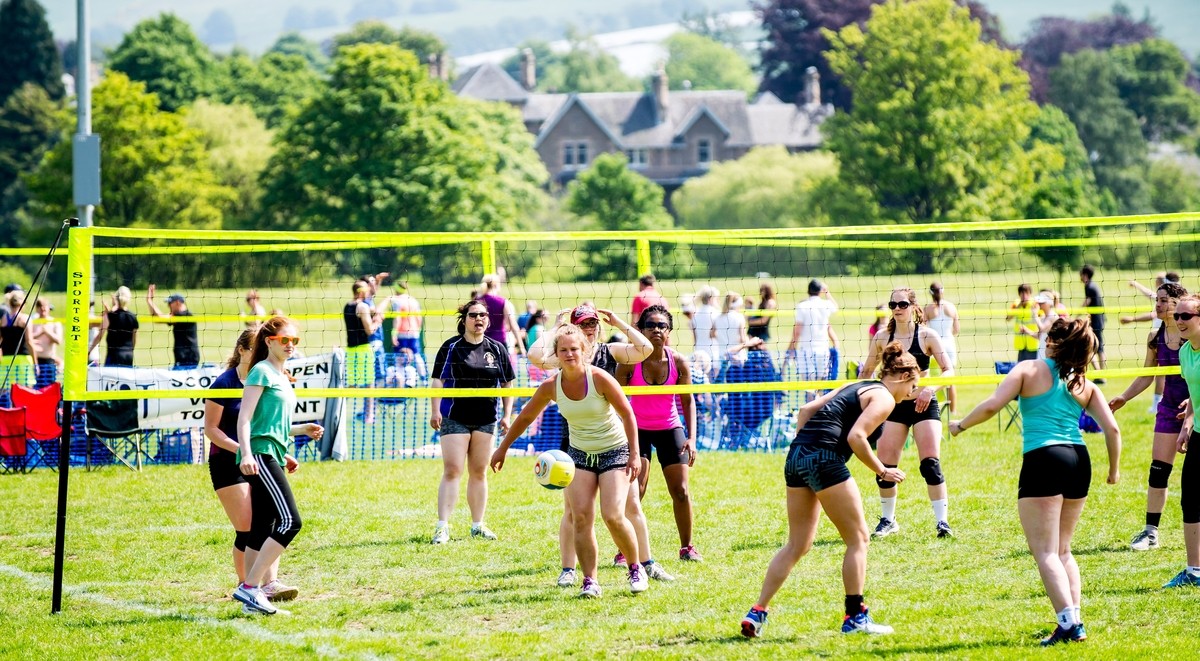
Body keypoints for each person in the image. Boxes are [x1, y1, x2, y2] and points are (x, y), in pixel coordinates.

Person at [950, 318, 1120, 645]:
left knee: (1045, 552)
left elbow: (992, 406)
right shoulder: (1082, 382)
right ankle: (1075, 618)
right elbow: (1112, 429)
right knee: (1063, 550)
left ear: (1053, 341)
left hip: (1044, 458)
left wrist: (961, 425)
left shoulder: (1028, 369)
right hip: (1078, 459)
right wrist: (1114, 470)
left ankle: (1069, 624)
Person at [740, 342, 919, 639]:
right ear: (902, 377)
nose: (910, 394)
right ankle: (855, 617)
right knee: (859, 539)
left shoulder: (860, 384)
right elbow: (857, 437)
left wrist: (805, 445)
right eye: (912, 386)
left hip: (796, 456)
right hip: (824, 459)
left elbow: (807, 409)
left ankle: (757, 611)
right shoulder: (885, 397)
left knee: (798, 545)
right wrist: (882, 470)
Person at [491, 324, 648, 598]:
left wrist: (635, 454)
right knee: (581, 518)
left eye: (574, 349)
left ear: (584, 350)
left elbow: (628, 414)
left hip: (614, 451)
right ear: (557, 354)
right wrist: (502, 448)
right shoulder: (551, 386)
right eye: (563, 350)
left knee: (612, 515)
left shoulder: (599, 378)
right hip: (579, 455)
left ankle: (636, 568)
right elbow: (526, 417)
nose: (569, 354)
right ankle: (590, 580)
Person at [528, 304, 655, 585]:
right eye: (583, 324)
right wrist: (557, 329)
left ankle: (643, 564)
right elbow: (534, 356)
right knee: (575, 512)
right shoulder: (564, 354)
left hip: (614, 441)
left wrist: (619, 322)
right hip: (575, 439)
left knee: (626, 507)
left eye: (593, 323)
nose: (590, 328)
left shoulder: (609, 352)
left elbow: (645, 349)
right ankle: (570, 570)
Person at [205, 329, 322, 605]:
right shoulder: (229, 381)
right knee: (251, 527)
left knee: (264, 523)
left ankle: (265, 585)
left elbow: (268, 426)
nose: (290, 345)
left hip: (259, 453)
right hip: (228, 460)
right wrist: (243, 452)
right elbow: (216, 429)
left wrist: (296, 435)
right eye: (285, 340)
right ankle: (246, 584)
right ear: (244, 350)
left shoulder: (273, 376)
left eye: (294, 341)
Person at [858, 287, 955, 539]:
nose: (897, 309)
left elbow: (949, 370)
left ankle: (942, 523)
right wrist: (864, 398)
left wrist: (929, 389)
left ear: (913, 306)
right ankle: (888, 520)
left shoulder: (927, 335)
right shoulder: (882, 337)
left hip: (924, 403)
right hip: (893, 405)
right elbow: (866, 372)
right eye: (893, 305)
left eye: (902, 304)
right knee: (885, 465)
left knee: (930, 464)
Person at [616, 305, 701, 562]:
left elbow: (688, 401)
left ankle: (687, 547)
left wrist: (692, 437)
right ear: (640, 330)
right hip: (637, 430)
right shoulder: (629, 361)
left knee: (681, 491)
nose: (656, 329)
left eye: (662, 325)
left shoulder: (678, 361)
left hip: (669, 428)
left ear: (669, 332)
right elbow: (615, 400)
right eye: (650, 325)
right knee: (636, 492)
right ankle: (624, 551)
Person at [1108, 282, 1188, 552]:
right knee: (1158, 470)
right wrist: (1124, 397)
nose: (1158, 304)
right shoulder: (1155, 336)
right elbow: (1147, 375)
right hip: (1169, 408)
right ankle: (1150, 533)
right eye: (1158, 300)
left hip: (1197, 407)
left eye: (1164, 300)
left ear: (1179, 303)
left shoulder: (1194, 335)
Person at [429, 300, 516, 544]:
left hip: (486, 419)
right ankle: (442, 527)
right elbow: (438, 381)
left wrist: (507, 415)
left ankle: (478, 525)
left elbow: (507, 384)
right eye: (473, 315)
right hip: (455, 416)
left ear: (488, 320)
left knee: (479, 472)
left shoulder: (497, 348)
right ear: (464, 319)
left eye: (483, 315)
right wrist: (435, 411)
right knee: (453, 470)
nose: (479, 319)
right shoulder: (451, 347)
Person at [1160, 293, 1200, 588]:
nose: (1180, 321)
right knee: (1190, 499)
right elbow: (1194, 397)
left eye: (1186, 316)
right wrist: (1188, 423)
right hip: (1198, 433)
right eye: (1178, 316)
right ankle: (1194, 571)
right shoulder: (1186, 352)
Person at [786, 279, 840, 400]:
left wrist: (791, 349)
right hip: (823, 350)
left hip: (806, 351)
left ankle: (811, 414)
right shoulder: (825, 304)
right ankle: (819, 413)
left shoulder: (802, 306)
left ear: (808, 291)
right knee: (821, 386)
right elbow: (835, 307)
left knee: (809, 387)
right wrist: (827, 292)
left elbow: (797, 331)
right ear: (820, 291)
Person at [346, 280, 382, 425]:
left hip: (350, 350)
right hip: (363, 349)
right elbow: (369, 330)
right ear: (361, 291)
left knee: (351, 385)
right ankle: (369, 416)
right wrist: (378, 320)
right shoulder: (362, 306)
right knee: (369, 384)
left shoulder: (348, 305)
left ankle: (337, 411)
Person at [924, 282, 959, 413]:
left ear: (930, 293)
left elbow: (924, 330)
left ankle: (933, 407)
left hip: (935, 345)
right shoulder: (951, 307)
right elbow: (956, 329)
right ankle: (953, 410)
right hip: (949, 344)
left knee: (932, 378)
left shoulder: (927, 309)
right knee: (950, 378)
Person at [145, 285, 200, 368]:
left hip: (187, 359)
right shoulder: (181, 316)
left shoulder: (184, 316)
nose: (168, 305)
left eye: (170, 303)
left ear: (178, 302)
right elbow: (157, 319)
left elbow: (160, 318)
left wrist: (149, 300)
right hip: (184, 359)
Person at [88, 286, 138, 367]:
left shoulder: (110, 316)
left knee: (109, 380)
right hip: (128, 356)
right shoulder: (133, 316)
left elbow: (99, 336)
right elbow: (134, 340)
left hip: (114, 355)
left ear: (116, 298)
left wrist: (89, 351)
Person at [478, 273, 526, 358]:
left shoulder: (477, 301)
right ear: (496, 285)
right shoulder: (502, 302)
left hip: (480, 343)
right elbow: (513, 325)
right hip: (499, 343)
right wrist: (522, 347)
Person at [1, 289, 39, 389]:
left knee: (6, 391)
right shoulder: (25, 318)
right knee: (26, 389)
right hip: (23, 359)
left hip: (6, 359)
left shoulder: (4, 319)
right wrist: (36, 363)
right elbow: (29, 341)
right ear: (23, 303)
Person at [1079, 265, 1107, 382]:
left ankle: (1101, 375)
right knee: (1096, 348)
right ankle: (1100, 375)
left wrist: (1076, 313)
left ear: (1085, 275)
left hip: (1096, 322)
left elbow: (1087, 301)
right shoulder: (1092, 285)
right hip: (1098, 321)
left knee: (1095, 348)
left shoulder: (1089, 286)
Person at [713, 292, 749, 371]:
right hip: (737, 356)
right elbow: (743, 340)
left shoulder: (718, 317)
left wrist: (722, 338)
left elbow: (712, 334)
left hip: (721, 355)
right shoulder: (739, 317)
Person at [30, 297, 61, 386]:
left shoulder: (55, 322)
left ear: (49, 308)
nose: (42, 310)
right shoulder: (33, 321)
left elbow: (58, 340)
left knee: (48, 387)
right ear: (37, 309)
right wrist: (39, 333)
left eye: (44, 307)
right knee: (35, 387)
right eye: (40, 307)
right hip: (35, 360)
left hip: (49, 361)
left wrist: (47, 332)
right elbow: (28, 338)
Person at [1006, 283, 1040, 363]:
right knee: (1020, 366)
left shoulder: (1034, 304)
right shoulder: (1016, 304)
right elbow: (1008, 318)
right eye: (1021, 293)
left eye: (1026, 293)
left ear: (1030, 293)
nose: (1024, 295)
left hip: (1032, 341)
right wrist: (1018, 307)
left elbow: (1040, 318)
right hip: (1020, 342)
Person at [388, 281, 423, 356]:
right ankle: (422, 368)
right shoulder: (413, 300)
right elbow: (419, 318)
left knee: (400, 357)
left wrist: (394, 334)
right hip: (414, 332)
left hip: (402, 333)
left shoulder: (396, 301)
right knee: (416, 355)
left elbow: (397, 319)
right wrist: (418, 330)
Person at [692, 286, 720, 371]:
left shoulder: (695, 314)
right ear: (710, 298)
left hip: (699, 350)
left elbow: (695, 336)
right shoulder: (715, 313)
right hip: (713, 351)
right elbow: (714, 334)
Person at [1032, 291, 1061, 361]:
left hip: (1049, 351)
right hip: (1042, 349)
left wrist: (1035, 314)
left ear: (1049, 303)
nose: (1039, 305)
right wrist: (1026, 331)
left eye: (1042, 303)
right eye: (1039, 303)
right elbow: (1040, 336)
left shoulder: (1053, 316)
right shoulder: (1043, 317)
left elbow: (1042, 328)